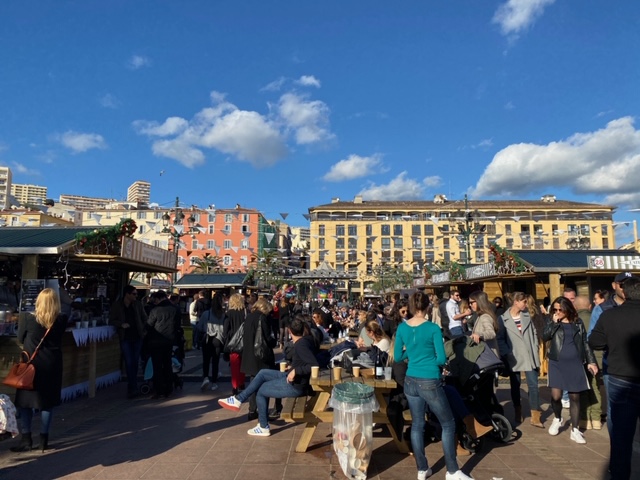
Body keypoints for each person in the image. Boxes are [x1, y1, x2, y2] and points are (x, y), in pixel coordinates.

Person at [394, 291, 473, 480]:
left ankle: (422, 469)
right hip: (429, 378)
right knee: (448, 423)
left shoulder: (402, 328)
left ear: (412, 307)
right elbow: (441, 358)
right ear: (427, 307)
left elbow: (397, 357)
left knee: (417, 425)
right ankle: (452, 470)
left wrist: (410, 353)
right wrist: (425, 356)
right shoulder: (432, 328)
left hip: (411, 379)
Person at [219, 317, 318, 436]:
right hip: (294, 378)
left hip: (296, 386)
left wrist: (296, 370)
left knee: (261, 391)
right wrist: (292, 367)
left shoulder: (300, 345)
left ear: (289, 331)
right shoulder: (305, 341)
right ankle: (238, 399)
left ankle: (263, 426)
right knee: (262, 373)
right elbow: (305, 361)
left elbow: (314, 364)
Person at [589, 276, 640, 480]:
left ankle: (620, 475)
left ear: (624, 293)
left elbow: (595, 342)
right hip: (624, 376)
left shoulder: (610, 315)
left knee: (621, 435)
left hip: (621, 377)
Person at [10, 288, 68, 453]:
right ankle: (43, 440)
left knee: (25, 403)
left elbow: (20, 338)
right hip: (52, 365)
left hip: (31, 366)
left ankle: (26, 439)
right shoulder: (61, 320)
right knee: (47, 404)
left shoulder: (29, 319)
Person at [542, 296, 597, 444]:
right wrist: (554, 323)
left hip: (575, 363)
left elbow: (585, 342)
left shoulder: (577, 322)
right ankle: (558, 418)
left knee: (575, 397)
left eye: (561, 309)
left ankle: (575, 429)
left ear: (568, 309)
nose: (558, 312)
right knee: (556, 396)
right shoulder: (552, 321)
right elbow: (544, 336)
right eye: (555, 309)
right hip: (556, 363)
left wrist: (591, 361)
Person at [496, 291, 544, 428]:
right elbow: (500, 338)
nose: (526, 304)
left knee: (533, 385)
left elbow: (534, 333)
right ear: (516, 301)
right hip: (514, 356)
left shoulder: (528, 315)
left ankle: (535, 416)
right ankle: (518, 411)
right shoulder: (503, 318)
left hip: (529, 354)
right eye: (524, 302)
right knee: (515, 385)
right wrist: (507, 353)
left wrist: (535, 348)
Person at [240, 297, 278, 421]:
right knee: (264, 383)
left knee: (253, 383)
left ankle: (252, 409)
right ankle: (263, 411)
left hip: (249, 354)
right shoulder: (263, 318)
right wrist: (274, 341)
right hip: (261, 356)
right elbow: (268, 338)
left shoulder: (249, 317)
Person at [110, 285, 147, 399]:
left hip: (137, 336)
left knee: (135, 362)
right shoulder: (118, 305)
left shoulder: (138, 304)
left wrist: (144, 331)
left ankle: (132, 386)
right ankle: (133, 387)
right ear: (127, 294)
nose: (136, 296)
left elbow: (144, 317)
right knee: (129, 362)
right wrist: (121, 324)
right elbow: (112, 319)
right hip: (125, 337)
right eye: (134, 294)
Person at [146, 290, 181, 399]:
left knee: (157, 366)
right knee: (167, 365)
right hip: (169, 341)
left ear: (158, 299)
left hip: (156, 342)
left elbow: (149, 325)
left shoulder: (155, 310)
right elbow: (177, 325)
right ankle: (168, 389)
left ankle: (159, 390)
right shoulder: (175, 309)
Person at [199, 292, 226, 392]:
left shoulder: (206, 314)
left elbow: (200, 327)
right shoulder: (223, 315)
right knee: (215, 361)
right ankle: (214, 382)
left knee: (206, 360)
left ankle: (205, 377)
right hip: (218, 339)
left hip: (207, 339)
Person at [223, 293, 246, 395]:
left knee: (234, 365)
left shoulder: (229, 314)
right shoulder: (245, 312)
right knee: (242, 364)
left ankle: (235, 386)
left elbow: (225, 330)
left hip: (233, 342)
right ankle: (241, 383)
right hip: (244, 341)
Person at [468, 291, 499, 357]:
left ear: (479, 302)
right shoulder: (480, 316)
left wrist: (479, 335)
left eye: (471, 302)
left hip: (489, 356)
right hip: (485, 355)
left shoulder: (485, 316)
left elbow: (491, 333)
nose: (470, 305)